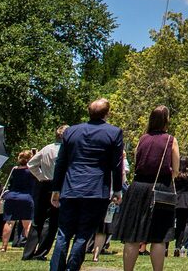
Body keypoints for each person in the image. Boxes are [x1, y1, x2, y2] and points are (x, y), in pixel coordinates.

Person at [50, 98, 125, 271]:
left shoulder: (71, 132)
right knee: (83, 234)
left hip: (70, 187)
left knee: (63, 234)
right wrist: (118, 189)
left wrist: (56, 188)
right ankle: (72, 268)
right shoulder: (113, 133)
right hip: (96, 190)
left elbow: (61, 162)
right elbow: (116, 164)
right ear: (107, 113)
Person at [115, 105, 181, 271]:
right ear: (166, 120)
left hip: (137, 188)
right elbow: (176, 169)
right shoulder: (170, 140)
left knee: (132, 236)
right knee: (158, 237)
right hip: (160, 189)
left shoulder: (142, 138)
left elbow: (138, 161)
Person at [26, 126, 67, 259]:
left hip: (43, 184)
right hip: (59, 185)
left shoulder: (47, 148)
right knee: (52, 221)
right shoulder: (66, 150)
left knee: (37, 219)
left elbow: (31, 164)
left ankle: (28, 252)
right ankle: (41, 252)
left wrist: (40, 177)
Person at [1, 150, 38, 252]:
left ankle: (4, 247)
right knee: (27, 224)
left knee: (9, 222)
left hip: (11, 196)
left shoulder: (14, 170)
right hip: (26, 197)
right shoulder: (31, 171)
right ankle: (32, 248)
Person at [171, 159, 188, 257]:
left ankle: (165, 247)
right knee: (183, 225)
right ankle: (179, 246)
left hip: (174, 200)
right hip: (186, 201)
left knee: (170, 224)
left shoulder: (174, 175)